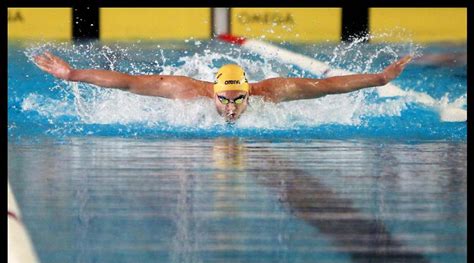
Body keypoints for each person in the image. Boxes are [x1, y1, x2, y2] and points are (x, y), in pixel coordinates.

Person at [33, 52, 412, 123]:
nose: (231, 108)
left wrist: (379, 79)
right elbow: (129, 83)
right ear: (211, 91)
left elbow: (327, 87)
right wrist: (74, 74)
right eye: (224, 99)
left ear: (250, 91)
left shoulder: (273, 91)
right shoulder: (185, 90)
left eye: (238, 99)